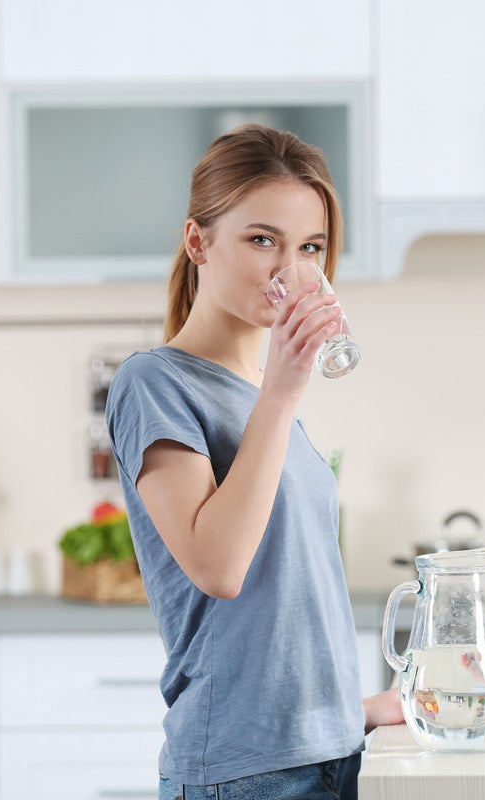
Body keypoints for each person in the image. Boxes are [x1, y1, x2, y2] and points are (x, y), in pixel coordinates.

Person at [105, 124, 402, 800]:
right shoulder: (155, 383)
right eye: (262, 240)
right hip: (246, 776)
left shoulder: (265, 399)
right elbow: (220, 569)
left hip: (327, 756)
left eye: (310, 248)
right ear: (197, 241)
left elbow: (285, 608)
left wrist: (348, 714)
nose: (289, 273)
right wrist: (284, 386)